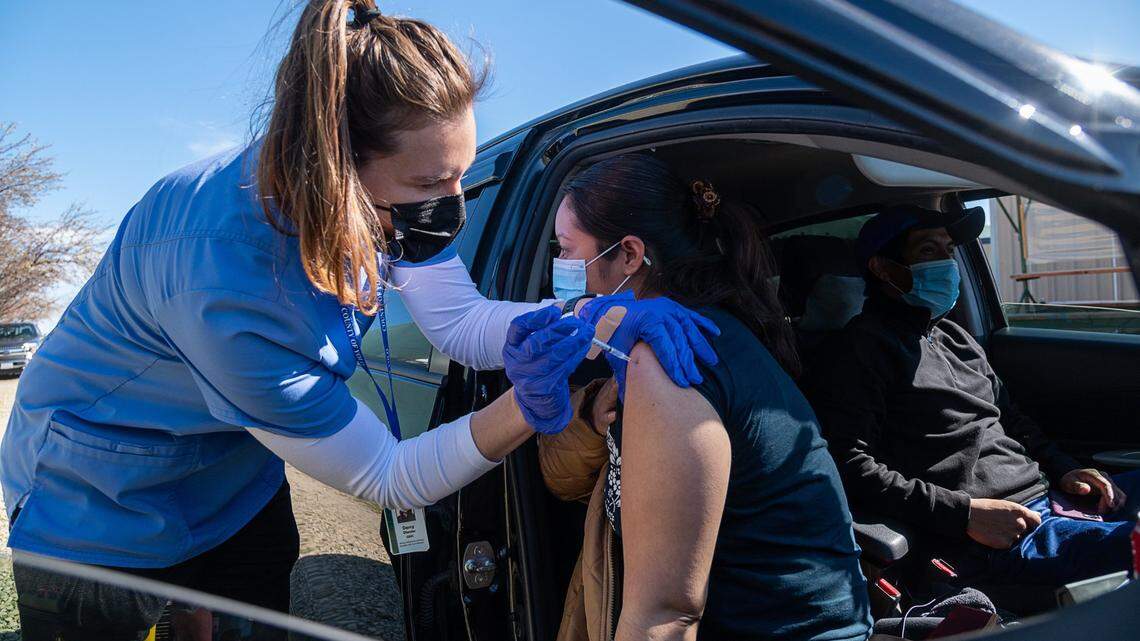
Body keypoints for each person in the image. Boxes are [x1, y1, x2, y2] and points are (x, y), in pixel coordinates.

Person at [0, 3, 717, 639]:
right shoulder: (228, 274)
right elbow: (388, 473)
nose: (452, 201)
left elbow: (461, 322)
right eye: (431, 183)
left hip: (232, 474)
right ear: (338, 168)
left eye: (460, 172)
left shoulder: (379, 204)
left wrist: (596, 316)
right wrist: (524, 407)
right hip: (100, 499)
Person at [539, 153, 873, 641]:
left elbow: (665, 618)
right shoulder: (705, 330)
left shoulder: (669, 360)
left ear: (629, 255)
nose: (561, 266)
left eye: (567, 249)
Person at [803, 204, 1140, 588]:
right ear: (883, 268)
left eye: (948, 250)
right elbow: (848, 464)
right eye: (928, 251)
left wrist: (1065, 468)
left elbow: (1011, 419)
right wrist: (962, 515)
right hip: (1000, 535)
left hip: (1052, 497)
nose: (947, 263)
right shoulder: (860, 350)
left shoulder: (954, 337)